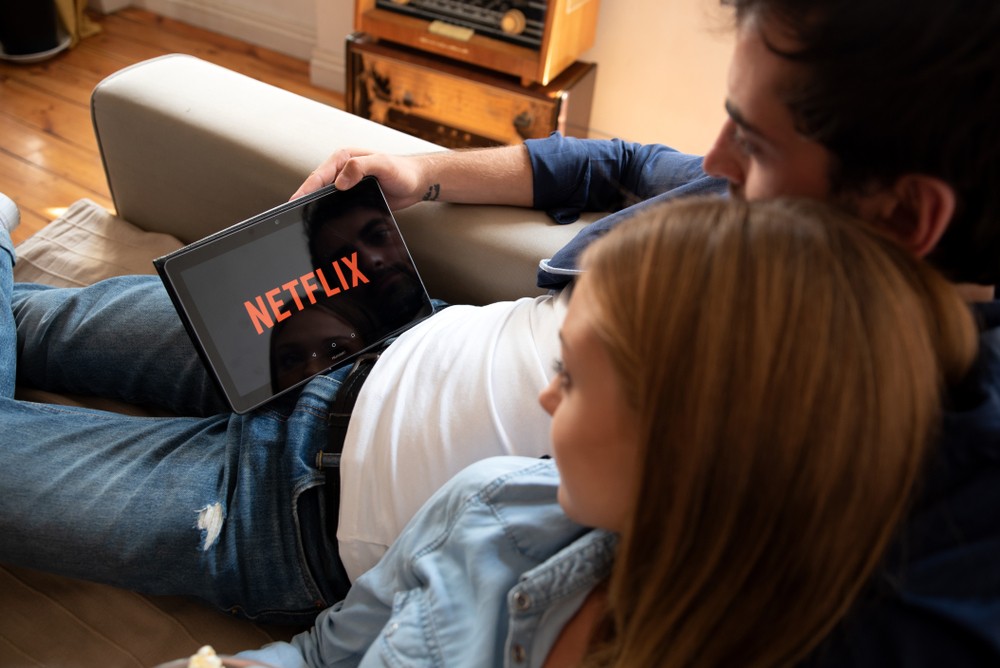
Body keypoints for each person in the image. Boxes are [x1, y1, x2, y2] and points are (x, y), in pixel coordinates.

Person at [1, 0, 998, 662]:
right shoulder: (745, 204)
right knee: (32, 321)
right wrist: (423, 170)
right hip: (361, 327)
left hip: (291, 514)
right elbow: (622, 160)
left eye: (759, 140)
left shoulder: (898, 483)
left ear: (903, 219)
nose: (714, 160)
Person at [229, 196, 977, 667]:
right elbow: (322, 655)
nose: (548, 398)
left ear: (695, 447)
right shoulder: (493, 499)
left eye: (574, 377)